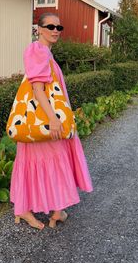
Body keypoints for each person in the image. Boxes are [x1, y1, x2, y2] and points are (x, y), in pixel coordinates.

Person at [10, 12, 93, 229]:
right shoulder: (37, 50)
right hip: (42, 120)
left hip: (43, 120)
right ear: (39, 29)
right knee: (52, 158)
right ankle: (25, 210)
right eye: (50, 26)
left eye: (59, 27)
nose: (55, 30)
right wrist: (53, 119)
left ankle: (54, 210)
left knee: (54, 159)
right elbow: (37, 89)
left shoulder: (46, 53)